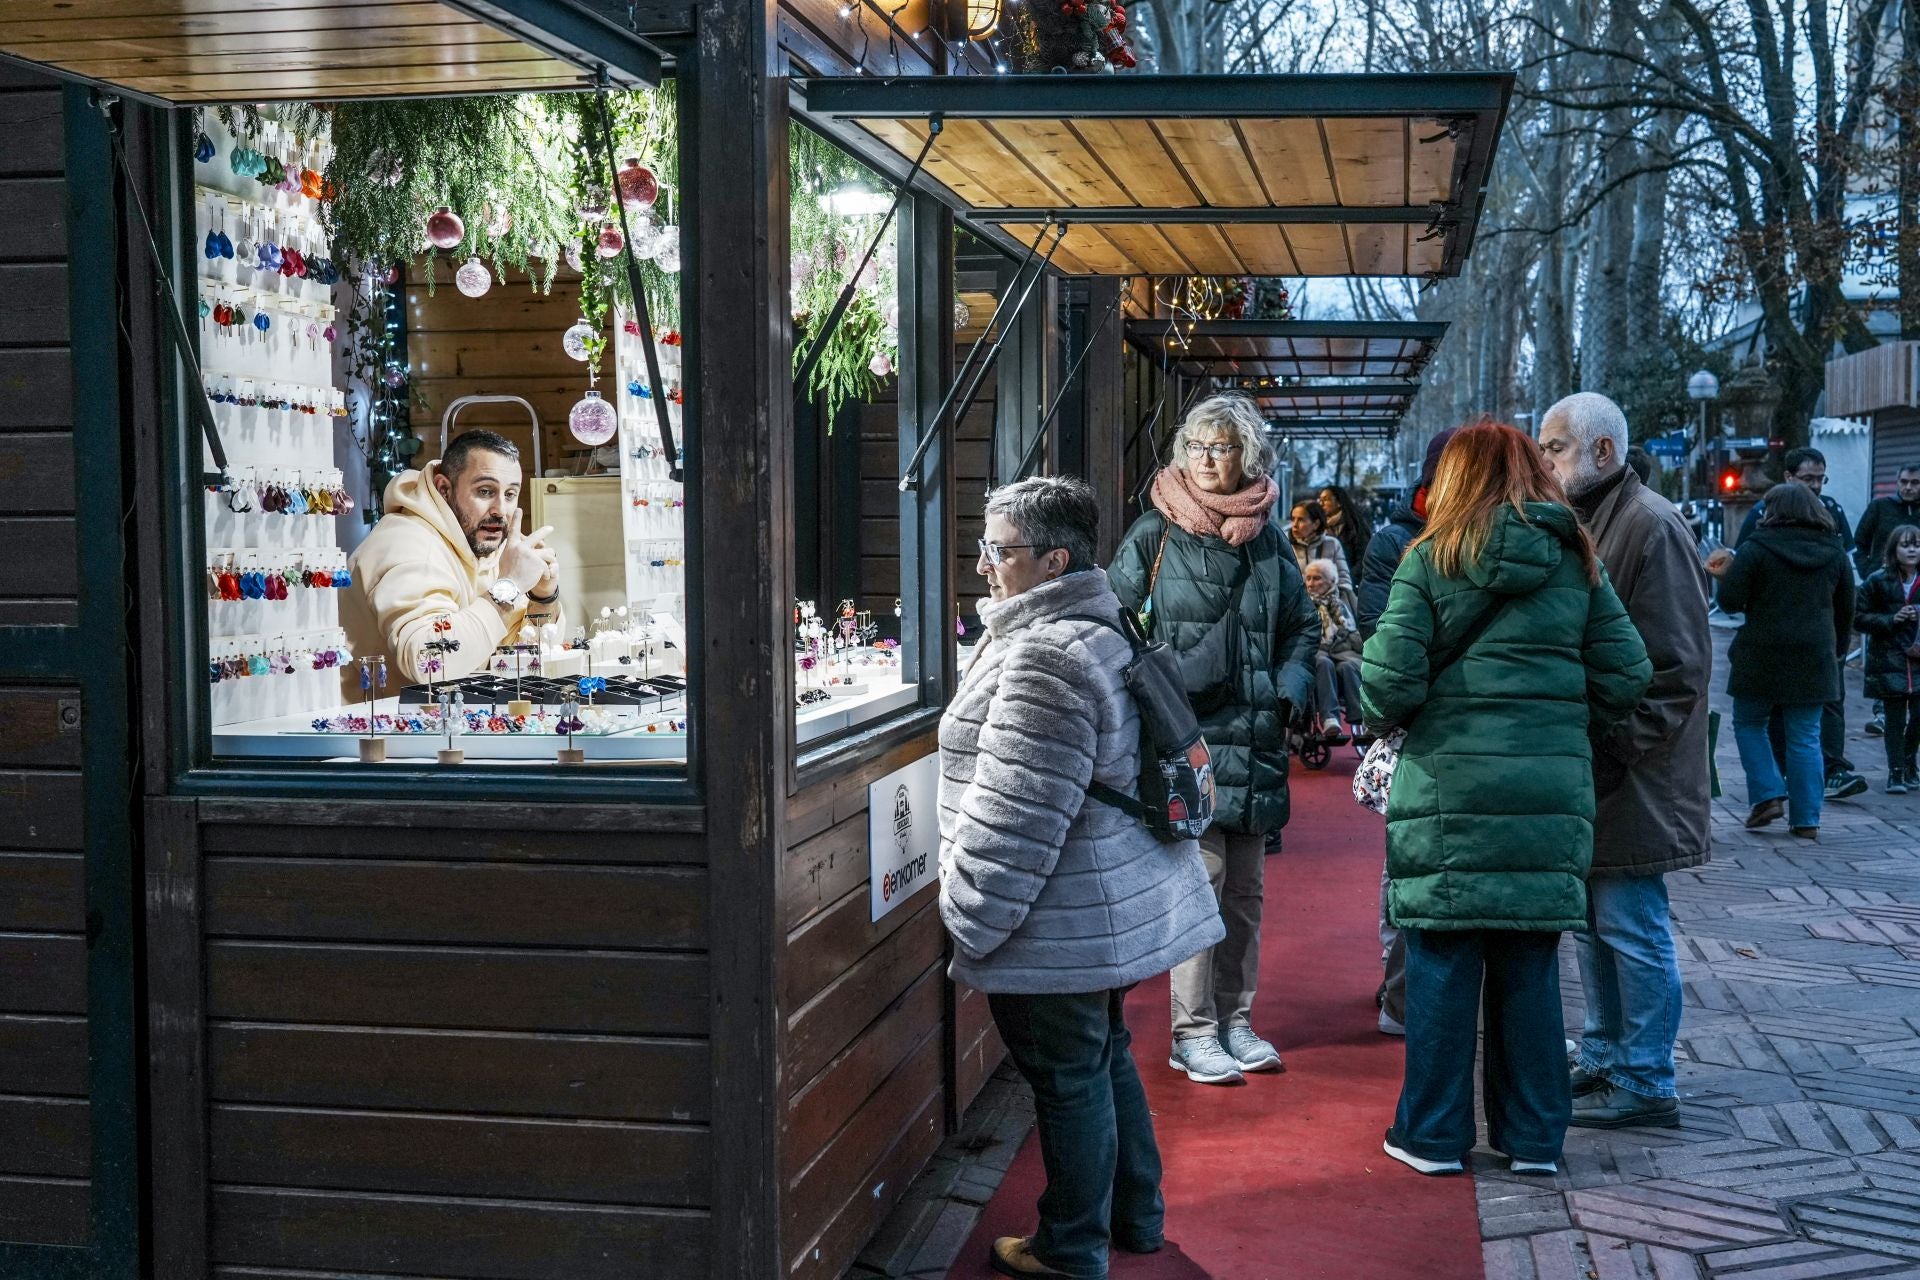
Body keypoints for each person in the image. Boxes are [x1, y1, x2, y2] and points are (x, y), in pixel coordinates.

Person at [937, 475, 1224, 1280]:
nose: (983, 564)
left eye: (999, 550)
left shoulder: (1045, 656)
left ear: (1053, 560)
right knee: (1102, 1056)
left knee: (1069, 1077)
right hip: (1100, 906)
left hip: (1058, 920)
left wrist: (969, 913)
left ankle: (1069, 1249)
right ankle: (1135, 1217)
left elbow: (1016, 814)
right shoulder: (1096, 625)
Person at [1361, 421, 1651, 1178]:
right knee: (1529, 968)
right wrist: (1558, 718)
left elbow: (1386, 684)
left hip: (1446, 794)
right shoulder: (1576, 561)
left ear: (1453, 480)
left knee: (1442, 964)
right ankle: (1534, 1141)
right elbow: (1628, 674)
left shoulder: (1430, 559)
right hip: (1548, 797)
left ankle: (1431, 1137)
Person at [1109, 393, 1317, 1086]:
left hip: (1256, 737)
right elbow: (1113, 622)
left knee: (1246, 893)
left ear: (1247, 458)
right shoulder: (1155, 532)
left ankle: (1237, 1020)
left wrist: (1289, 688)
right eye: (1195, 446)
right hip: (1187, 738)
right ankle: (1192, 1032)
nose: (1204, 459)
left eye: (1220, 448)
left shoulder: (1268, 539)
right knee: (1202, 885)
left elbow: (1303, 625)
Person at [1539, 392, 1712, 1131]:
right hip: (1602, 769)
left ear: (1601, 451)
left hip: (1635, 775)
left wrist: (1611, 746)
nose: (1544, 461)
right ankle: (1609, 1055)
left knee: (1631, 926)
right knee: (1593, 925)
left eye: (1554, 448)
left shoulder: (1650, 524)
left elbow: (1678, 669)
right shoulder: (1591, 518)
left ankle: (1646, 1074)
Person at [1354, 424, 1459, 1036]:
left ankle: (1417, 994)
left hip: (1464, 728)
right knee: (1408, 862)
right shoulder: (1397, 540)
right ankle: (1399, 990)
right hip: (1418, 728)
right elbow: (1378, 633)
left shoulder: (1498, 532)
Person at [341, 430, 562, 686]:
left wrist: (543, 598)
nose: (500, 510)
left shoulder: (487, 545)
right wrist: (508, 587)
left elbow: (515, 661)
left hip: (455, 708)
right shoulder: (407, 543)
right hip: (377, 712)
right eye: (485, 491)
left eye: (510, 494)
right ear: (444, 489)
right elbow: (429, 662)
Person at [1707, 482, 1856, 840]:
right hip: (1814, 655)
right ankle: (1806, 819)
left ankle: (1768, 793)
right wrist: (1837, 649)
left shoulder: (1756, 549)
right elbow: (1846, 607)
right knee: (1805, 736)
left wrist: (1725, 575)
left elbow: (1730, 602)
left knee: (1749, 723)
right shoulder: (1834, 551)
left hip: (1761, 653)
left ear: (1773, 511)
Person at [1733, 448, 1866, 802]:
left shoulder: (1829, 512)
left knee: (1764, 721)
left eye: (1821, 478)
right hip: (1814, 644)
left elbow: (1732, 595)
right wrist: (1837, 642)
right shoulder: (1762, 517)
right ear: (1789, 477)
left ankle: (1801, 780)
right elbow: (1846, 599)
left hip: (1776, 645)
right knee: (1800, 729)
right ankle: (1804, 812)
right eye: (1809, 479)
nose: (1817, 486)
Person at [1853, 465, 1920, 738]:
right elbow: (1859, 543)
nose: (1908, 487)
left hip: (1915, 588)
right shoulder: (1880, 508)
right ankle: (1883, 712)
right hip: (1885, 589)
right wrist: (1869, 572)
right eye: (1904, 481)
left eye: (1915, 482)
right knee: (1884, 650)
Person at [1853, 524, 1920, 793]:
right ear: (1894, 549)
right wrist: (1891, 619)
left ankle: (1909, 761)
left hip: (1918, 658)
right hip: (1889, 658)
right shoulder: (1878, 581)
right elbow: (1859, 617)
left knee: (1918, 717)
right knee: (1894, 719)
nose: (1912, 550)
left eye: (1917, 545)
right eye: (1906, 545)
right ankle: (1896, 772)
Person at [1305, 557, 1364, 742]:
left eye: (1317, 578)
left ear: (1331, 581)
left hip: (1345, 649)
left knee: (1348, 667)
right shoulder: (1303, 602)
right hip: (1318, 651)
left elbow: (1359, 624)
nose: (1311, 584)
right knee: (1323, 663)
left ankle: (1363, 718)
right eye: (1308, 578)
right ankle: (1330, 719)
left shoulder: (1345, 597)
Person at [1287, 499, 1354, 601]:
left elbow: (1344, 579)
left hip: (1328, 603)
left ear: (1316, 524)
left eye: (1301, 520)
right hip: (1295, 604)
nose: (1294, 525)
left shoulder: (1331, 544)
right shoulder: (1285, 545)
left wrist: (1333, 598)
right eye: (1293, 519)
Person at [1318, 483, 1373, 577]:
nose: (1321, 504)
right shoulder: (1318, 526)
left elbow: (1363, 559)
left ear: (1339, 503)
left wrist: (1347, 579)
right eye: (1320, 500)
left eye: (1326, 500)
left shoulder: (1355, 526)